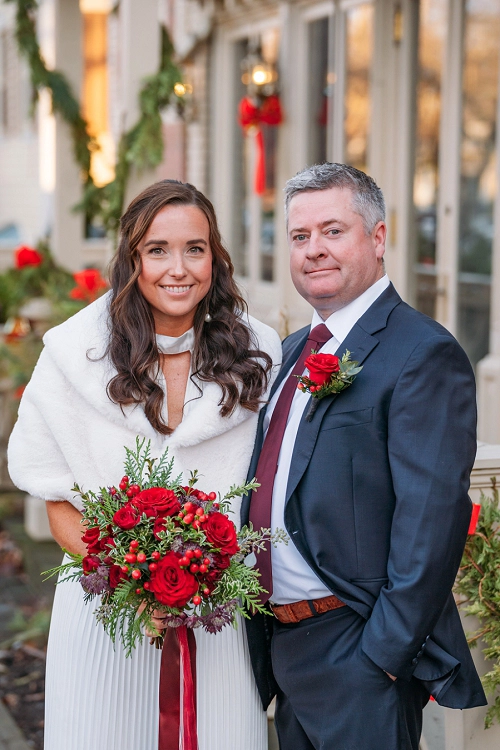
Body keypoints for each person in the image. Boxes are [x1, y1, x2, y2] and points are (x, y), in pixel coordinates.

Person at [8, 180, 281, 750]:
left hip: (219, 619)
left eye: (195, 248)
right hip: (105, 611)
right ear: (132, 259)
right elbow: (57, 500)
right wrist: (141, 584)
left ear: (216, 258)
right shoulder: (72, 354)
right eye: (157, 249)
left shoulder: (260, 352)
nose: (178, 268)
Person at [241, 163, 487, 750]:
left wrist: (381, 656)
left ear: (377, 239)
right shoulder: (295, 349)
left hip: (357, 648)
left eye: (333, 230)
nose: (313, 250)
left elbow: (431, 520)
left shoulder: (422, 353)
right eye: (300, 236)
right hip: (281, 646)